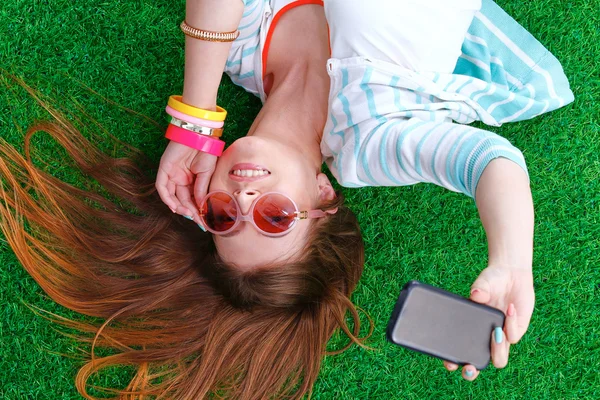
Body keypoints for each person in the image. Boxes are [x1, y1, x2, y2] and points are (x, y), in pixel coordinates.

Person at [0, 0, 572, 399]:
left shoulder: (242, 51)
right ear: (324, 197)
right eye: (274, 218)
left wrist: (195, 126)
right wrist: (511, 263)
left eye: (224, 217)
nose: (245, 195)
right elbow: (492, 164)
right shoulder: (374, 139)